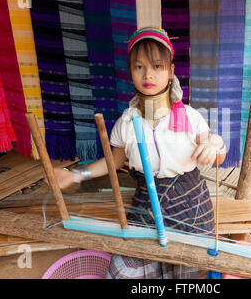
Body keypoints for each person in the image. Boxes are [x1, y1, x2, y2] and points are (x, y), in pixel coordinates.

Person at [53, 27, 226, 279]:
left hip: (191, 206)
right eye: (139, 67)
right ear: (130, 73)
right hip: (146, 204)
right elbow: (113, 161)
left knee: (187, 274)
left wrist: (215, 144)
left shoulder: (190, 117)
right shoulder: (127, 121)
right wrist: (77, 175)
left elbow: (217, 154)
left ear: (170, 72)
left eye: (157, 66)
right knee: (124, 271)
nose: (148, 74)